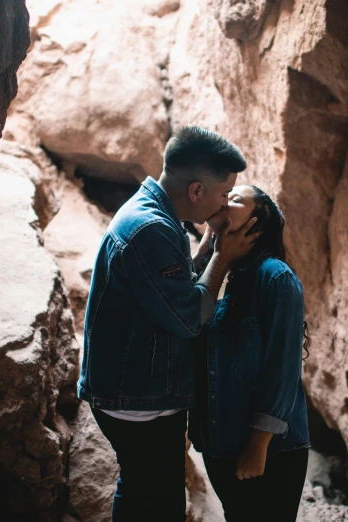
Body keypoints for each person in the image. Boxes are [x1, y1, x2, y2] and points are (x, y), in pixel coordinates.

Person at [78, 127, 260, 522]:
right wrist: (224, 257)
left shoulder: (157, 214)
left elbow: (175, 289)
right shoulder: (150, 229)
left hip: (138, 389)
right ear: (196, 191)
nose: (225, 202)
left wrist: (211, 242)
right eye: (223, 192)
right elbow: (189, 316)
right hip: (135, 398)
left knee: (150, 492)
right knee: (153, 498)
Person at [189, 185, 311, 522]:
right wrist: (213, 244)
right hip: (219, 443)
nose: (224, 199)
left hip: (268, 450)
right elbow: (184, 317)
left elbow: (283, 369)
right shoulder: (222, 273)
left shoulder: (276, 278)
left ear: (256, 223)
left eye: (235, 199)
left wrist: (259, 445)